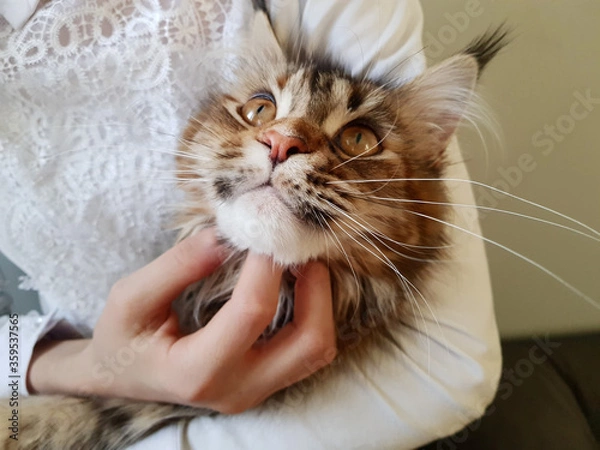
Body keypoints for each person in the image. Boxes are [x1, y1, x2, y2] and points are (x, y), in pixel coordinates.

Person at [0, 0, 502, 448]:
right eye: (260, 109)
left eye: (358, 139)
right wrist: (60, 366)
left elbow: (453, 377)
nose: (282, 138)